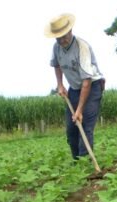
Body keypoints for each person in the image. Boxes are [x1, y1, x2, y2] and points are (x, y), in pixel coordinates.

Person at [44, 13, 105, 160]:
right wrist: (60, 84)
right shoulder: (56, 48)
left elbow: (86, 82)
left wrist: (79, 110)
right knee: (71, 129)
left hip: (92, 86)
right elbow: (56, 64)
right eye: (58, 37)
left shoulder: (81, 47)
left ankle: (85, 163)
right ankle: (77, 162)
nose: (62, 40)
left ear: (70, 30)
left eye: (64, 35)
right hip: (74, 88)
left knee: (84, 126)